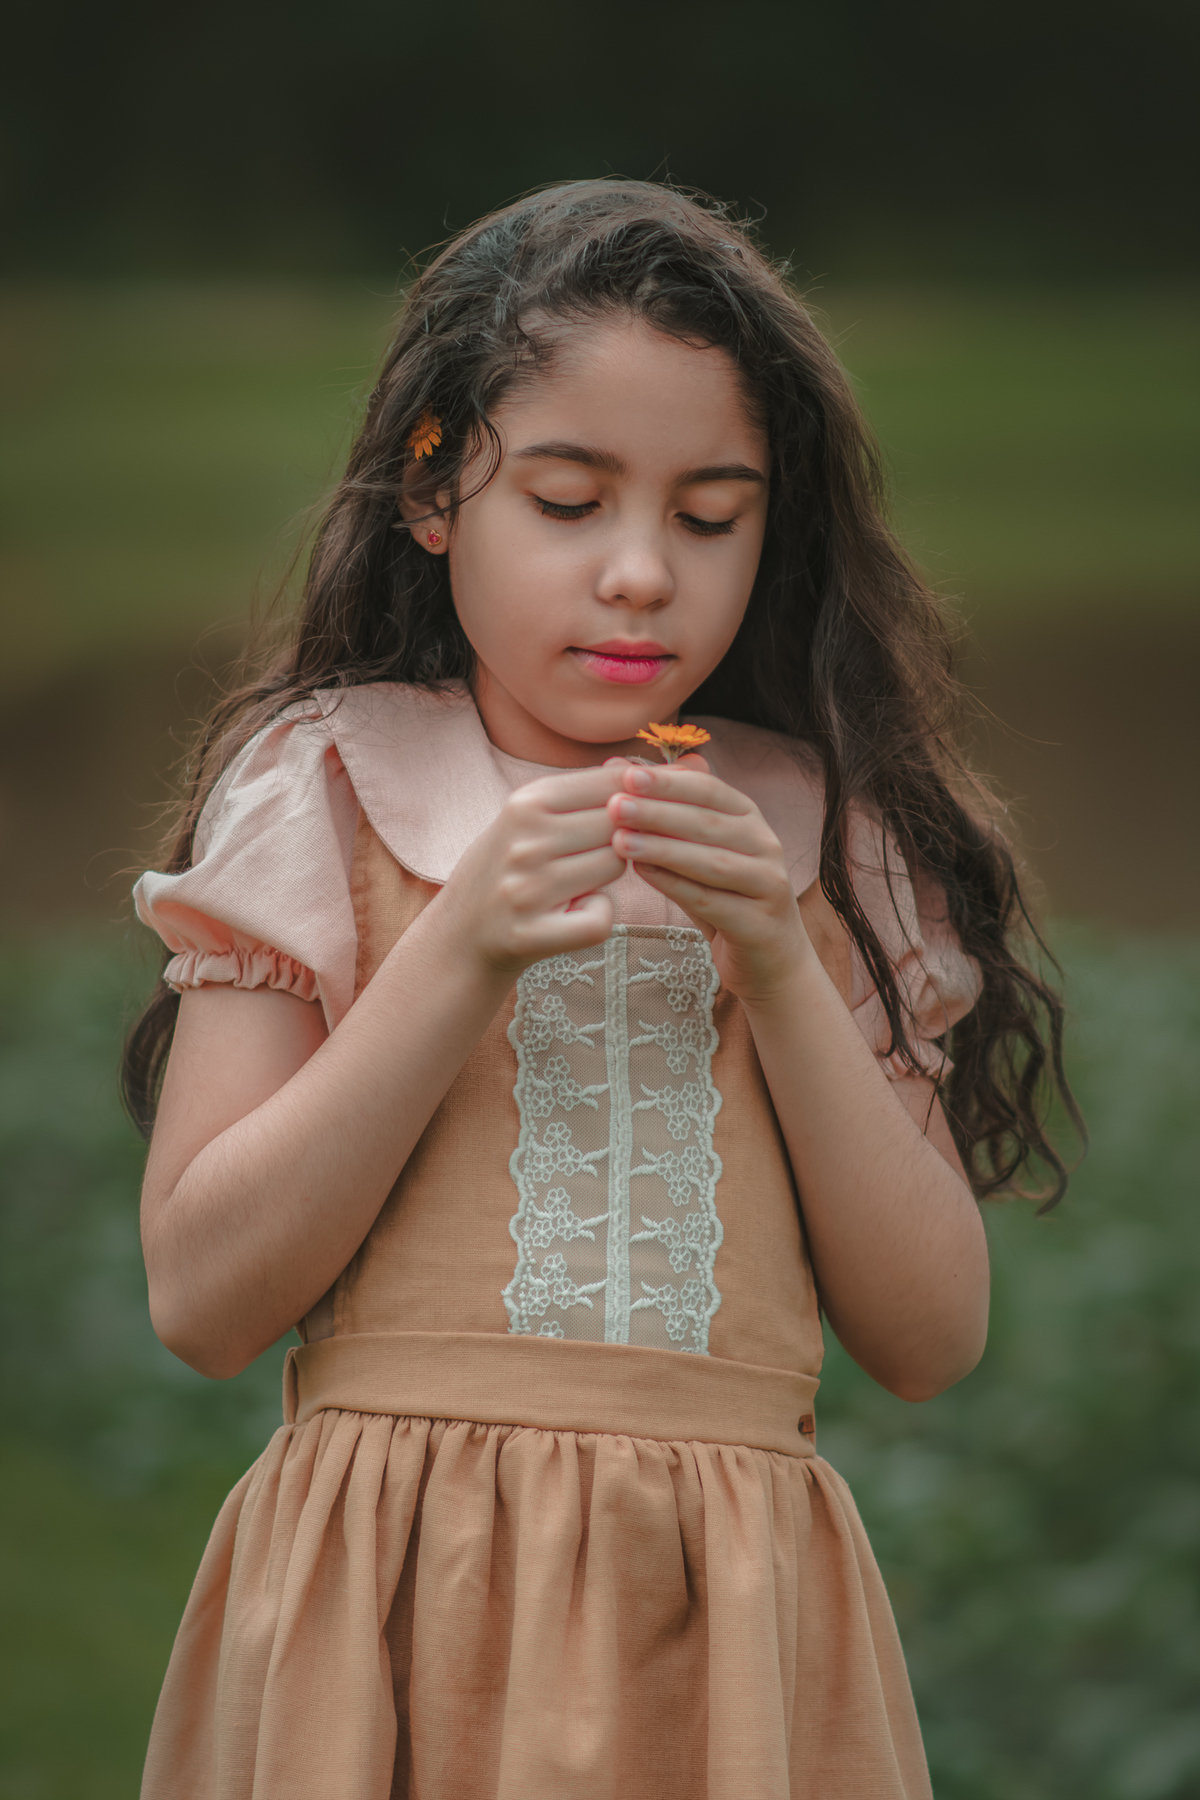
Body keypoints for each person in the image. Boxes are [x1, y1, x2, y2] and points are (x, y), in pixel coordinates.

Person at [125, 180, 1075, 1800]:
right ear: (435, 494)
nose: (643, 574)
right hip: (389, 1605)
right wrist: (453, 952)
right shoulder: (331, 792)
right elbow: (203, 1299)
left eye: (711, 518)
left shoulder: (830, 836)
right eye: (569, 501)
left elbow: (930, 1337)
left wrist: (779, 960)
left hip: (732, 1635)